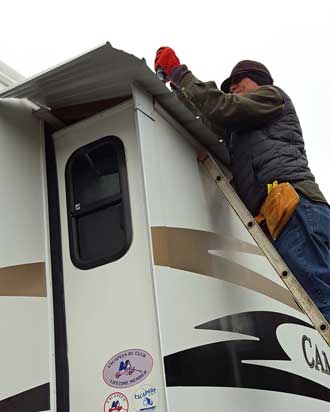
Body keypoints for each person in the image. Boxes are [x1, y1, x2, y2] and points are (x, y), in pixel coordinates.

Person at [154, 47, 330, 322]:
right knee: (313, 305)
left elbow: (223, 108)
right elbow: (208, 116)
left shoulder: (272, 97)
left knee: (320, 299)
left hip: (295, 208)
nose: (233, 88)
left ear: (259, 81)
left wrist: (180, 73)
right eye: (230, 86)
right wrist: (177, 87)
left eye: (239, 83)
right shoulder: (240, 129)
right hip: (285, 216)